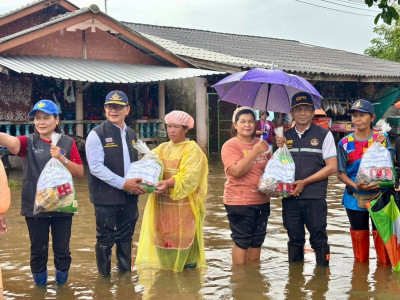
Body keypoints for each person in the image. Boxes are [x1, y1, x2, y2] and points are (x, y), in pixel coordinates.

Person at [0, 100, 84, 285]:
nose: (41, 122)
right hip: (34, 206)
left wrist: (61, 158)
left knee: (63, 251)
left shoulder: (68, 143)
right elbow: (12, 143)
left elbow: (79, 172)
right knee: (38, 251)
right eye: (37, 119)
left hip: (63, 205)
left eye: (46, 117)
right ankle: (40, 290)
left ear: (57, 120)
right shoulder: (28, 142)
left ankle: (62, 288)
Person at [136, 110, 208, 272]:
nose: (171, 131)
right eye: (169, 127)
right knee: (163, 242)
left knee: (185, 245)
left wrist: (168, 182)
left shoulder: (192, 150)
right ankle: (167, 284)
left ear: (186, 129)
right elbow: (149, 166)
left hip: (185, 208)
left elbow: (190, 177)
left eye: (176, 127)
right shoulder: (162, 148)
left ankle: (187, 286)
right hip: (163, 207)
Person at [86, 90, 146, 277]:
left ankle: (125, 279)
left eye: (119, 107)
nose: (114, 110)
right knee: (104, 239)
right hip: (105, 197)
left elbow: (140, 161)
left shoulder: (131, 134)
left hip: (129, 197)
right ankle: (104, 281)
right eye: (110, 106)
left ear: (127, 110)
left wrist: (148, 177)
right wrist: (123, 184)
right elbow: (95, 167)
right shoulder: (97, 134)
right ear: (105, 109)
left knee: (125, 238)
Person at [275, 92, 337, 267]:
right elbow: (277, 169)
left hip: (315, 198)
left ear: (312, 112)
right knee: (294, 239)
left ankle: (322, 280)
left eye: (306, 109)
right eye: (298, 109)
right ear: (292, 113)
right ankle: (294, 283)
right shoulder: (284, 137)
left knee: (319, 238)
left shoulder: (325, 135)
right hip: (290, 198)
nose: (302, 113)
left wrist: (305, 182)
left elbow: (332, 167)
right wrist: (278, 149)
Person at [337, 99, 390, 264]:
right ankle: (360, 280)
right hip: (354, 198)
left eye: (362, 115)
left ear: (372, 117)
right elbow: (340, 173)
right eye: (354, 115)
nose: (357, 119)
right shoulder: (344, 143)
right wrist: (355, 185)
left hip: (379, 196)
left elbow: (389, 170)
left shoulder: (381, 139)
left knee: (384, 247)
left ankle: (383, 280)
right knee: (359, 251)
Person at [221, 106, 271, 265]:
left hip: (262, 200)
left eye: (250, 121)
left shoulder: (263, 145)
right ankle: (240, 281)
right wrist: (254, 152)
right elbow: (236, 171)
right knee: (242, 241)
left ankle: (253, 280)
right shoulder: (230, 146)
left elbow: (270, 171)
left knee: (257, 241)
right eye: (242, 121)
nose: (247, 125)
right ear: (235, 125)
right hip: (239, 201)